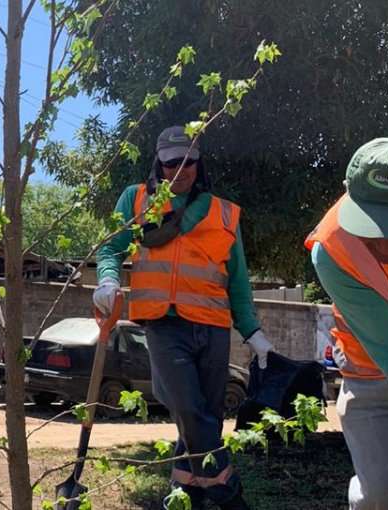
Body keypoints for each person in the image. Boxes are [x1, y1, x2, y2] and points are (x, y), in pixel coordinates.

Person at [93, 126, 274, 510]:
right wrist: (107, 280)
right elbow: (111, 248)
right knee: (189, 410)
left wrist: (253, 332)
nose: (181, 169)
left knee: (203, 417)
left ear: (198, 162)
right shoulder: (137, 199)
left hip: (213, 327)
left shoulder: (224, 212)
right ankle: (228, 492)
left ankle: (183, 496)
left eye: (189, 161)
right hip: (163, 325)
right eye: (172, 161)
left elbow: (237, 280)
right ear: (158, 162)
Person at [305, 138, 388, 509]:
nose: (386, 242)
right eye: (373, 223)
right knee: (385, 495)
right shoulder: (331, 250)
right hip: (372, 374)